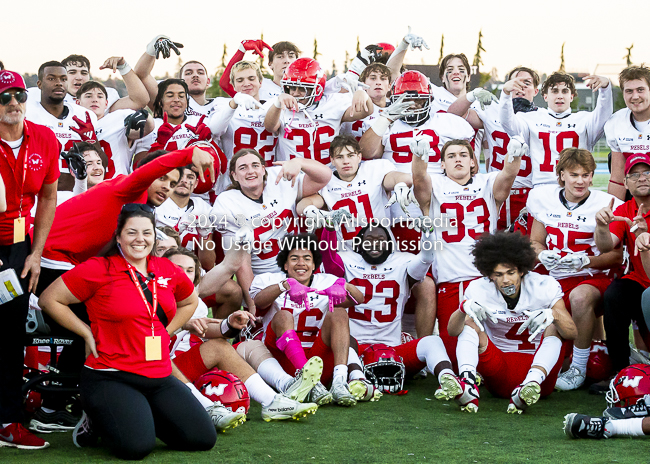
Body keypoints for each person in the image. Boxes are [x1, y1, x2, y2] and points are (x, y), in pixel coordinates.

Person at [38, 206, 216, 459]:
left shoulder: (166, 269)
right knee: (135, 448)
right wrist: (86, 332)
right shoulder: (99, 269)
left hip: (159, 375)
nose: (139, 239)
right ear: (118, 236)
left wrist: (167, 330)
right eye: (131, 232)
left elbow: (189, 302)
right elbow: (49, 300)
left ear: (154, 236)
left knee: (202, 438)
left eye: (146, 232)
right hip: (111, 375)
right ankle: (97, 420)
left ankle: (134, 415)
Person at [165, 244, 319, 427]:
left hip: (177, 367)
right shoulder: (147, 296)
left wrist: (229, 323)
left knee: (222, 345)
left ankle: (274, 399)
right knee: (160, 356)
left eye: (190, 270)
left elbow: (202, 328)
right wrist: (181, 324)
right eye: (177, 269)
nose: (184, 274)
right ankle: (206, 408)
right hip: (148, 369)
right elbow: (148, 345)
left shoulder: (194, 302)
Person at [320, 222, 469, 403]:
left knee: (432, 341)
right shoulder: (347, 260)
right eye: (369, 239)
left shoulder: (402, 262)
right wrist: (329, 228)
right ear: (359, 243)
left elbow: (427, 258)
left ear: (390, 244)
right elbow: (328, 257)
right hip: (354, 349)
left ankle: (448, 378)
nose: (375, 243)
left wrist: (428, 233)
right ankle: (357, 380)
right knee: (346, 341)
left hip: (394, 351)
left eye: (381, 239)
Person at [410, 137, 524, 365]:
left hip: (487, 281)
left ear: (473, 161)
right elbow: (419, 178)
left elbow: (508, 176)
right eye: (451, 156)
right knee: (456, 357)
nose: (458, 160)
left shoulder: (487, 181)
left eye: (463, 155)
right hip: (453, 281)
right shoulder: (435, 185)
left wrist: (515, 156)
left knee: (491, 355)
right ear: (442, 164)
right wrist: (419, 156)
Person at [447, 232, 577, 413]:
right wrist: (463, 308)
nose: (506, 280)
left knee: (555, 326)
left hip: (540, 373)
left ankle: (529, 385)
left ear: (522, 270)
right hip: (499, 367)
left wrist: (552, 314)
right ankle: (467, 383)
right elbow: (453, 331)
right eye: (498, 274)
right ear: (489, 275)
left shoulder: (544, 285)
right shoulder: (479, 288)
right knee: (470, 324)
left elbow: (572, 333)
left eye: (511, 272)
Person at [527, 148, 623, 391]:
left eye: (585, 175)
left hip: (592, 279)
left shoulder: (606, 204)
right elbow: (534, 241)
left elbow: (617, 256)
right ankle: (568, 358)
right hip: (554, 278)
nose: (580, 181)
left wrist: (585, 261)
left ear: (592, 176)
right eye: (574, 175)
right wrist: (542, 253)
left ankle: (578, 368)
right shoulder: (542, 198)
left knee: (579, 298)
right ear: (561, 175)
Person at [0, 70, 59, 450]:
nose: (13, 104)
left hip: (19, 248)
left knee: (9, 336)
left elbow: (49, 197)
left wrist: (36, 253)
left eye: (19, 95)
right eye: (4, 98)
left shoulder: (43, 137)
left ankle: (8, 420)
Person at [209, 148, 331, 312]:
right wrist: (253, 302)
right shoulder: (227, 203)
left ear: (263, 168)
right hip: (266, 280)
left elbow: (324, 176)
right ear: (234, 176)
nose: (250, 171)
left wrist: (299, 162)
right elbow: (240, 261)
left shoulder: (278, 180)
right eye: (243, 167)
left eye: (255, 165)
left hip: (301, 269)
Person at [249, 234, 364, 405]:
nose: (301, 263)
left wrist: (344, 285)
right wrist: (284, 286)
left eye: (307, 258)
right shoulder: (269, 280)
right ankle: (308, 381)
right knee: (283, 315)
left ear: (314, 264)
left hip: (318, 356)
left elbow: (359, 299)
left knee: (339, 313)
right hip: (283, 359)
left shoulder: (327, 281)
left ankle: (339, 381)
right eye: (294, 258)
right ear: (285, 264)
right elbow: (258, 300)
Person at [447, 66, 540, 231]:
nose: (521, 86)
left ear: (536, 91)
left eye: (527, 83)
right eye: (516, 81)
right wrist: (472, 95)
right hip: (497, 190)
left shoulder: (543, 117)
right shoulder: (492, 111)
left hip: (529, 192)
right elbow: (452, 115)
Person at [594, 153, 650, 391]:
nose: (641, 178)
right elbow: (606, 245)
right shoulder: (625, 208)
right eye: (634, 175)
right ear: (625, 183)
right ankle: (620, 373)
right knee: (614, 295)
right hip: (640, 280)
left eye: (647, 172)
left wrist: (643, 238)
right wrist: (601, 227)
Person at [499, 71, 612, 188]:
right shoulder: (530, 118)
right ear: (545, 96)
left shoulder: (584, 119)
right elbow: (507, 122)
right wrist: (506, 93)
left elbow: (604, 115)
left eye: (565, 91)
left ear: (571, 96)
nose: (560, 96)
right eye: (554, 91)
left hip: (576, 188)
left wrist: (605, 89)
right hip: (542, 188)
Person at [264, 57, 373, 165]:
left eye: (303, 89)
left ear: (317, 89)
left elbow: (366, 111)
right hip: (292, 176)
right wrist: (277, 104)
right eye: (292, 88)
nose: (296, 93)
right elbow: (270, 127)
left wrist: (363, 94)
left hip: (328, 174)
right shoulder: (279, 105)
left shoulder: (332, 103)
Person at [25, 61, 98, 191]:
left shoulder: (84, 115)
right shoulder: (27, 114)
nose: (59, 83)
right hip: (37, 194)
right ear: (39, 84)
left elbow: (102, 164)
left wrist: (91, 139)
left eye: (63, 79)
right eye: (51, 78)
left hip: (77, 193)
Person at [75, 60, 153, 178]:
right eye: (88, 96)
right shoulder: (70, 124)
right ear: (77, 103)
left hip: (117, 186)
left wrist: (146, 117)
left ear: (106, 103)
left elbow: (147, 128)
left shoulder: (118, 117)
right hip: (85, 190)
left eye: (99, 96)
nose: (95, 100)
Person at [208, 61, 278, 189]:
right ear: (233, 85)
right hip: (233, 182)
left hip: (268, 179)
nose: (246, 84)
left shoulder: (273, 108)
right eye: (240, 80)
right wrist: (233, 103)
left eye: (251, 78)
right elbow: (214, 129)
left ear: (260, 82)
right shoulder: (225, 106)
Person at [606, 65, 650, 200]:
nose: (635, 96)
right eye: (629, 91)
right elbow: (617, 178)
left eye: (640, 90)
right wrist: (614, 216)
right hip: (634, 190)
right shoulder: (616, 122)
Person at [220, 40, 301, 101]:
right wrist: (242, 50)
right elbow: (226, 84)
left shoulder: (306, 89)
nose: (286, 61)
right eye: (280, 57)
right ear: (270, 64)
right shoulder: (259, 86)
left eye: (291, 56)